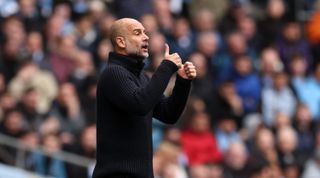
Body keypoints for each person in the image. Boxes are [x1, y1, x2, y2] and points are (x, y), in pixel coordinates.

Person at [92, 18, 197, 178]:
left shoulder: (142, 78)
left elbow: (168, 114)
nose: (146, 36)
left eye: (145, 32)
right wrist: (167, 67)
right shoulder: (113, 73)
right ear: (121, 41)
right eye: (137, 33)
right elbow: (140, 104)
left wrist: (182, 81)